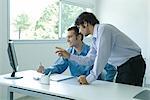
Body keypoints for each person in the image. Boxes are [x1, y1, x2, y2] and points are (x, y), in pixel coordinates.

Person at [55, 12, 146, 86]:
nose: (79, 31)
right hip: (124, 67)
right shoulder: (95, 39)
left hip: (133, 64)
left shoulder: (103, 29)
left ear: (85, 23)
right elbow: (89, 60)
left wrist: (88, 79)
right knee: (122, 94)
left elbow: (102, 57)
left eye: (79, 27)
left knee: (126, 96)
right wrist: (69, 56)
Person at [37, 26, 116, 82]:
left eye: (70, 37)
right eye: (67, 37)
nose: (67, 40)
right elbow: (58, 67)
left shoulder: (93, 51)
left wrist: (107, 84)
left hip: (93, 86)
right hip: (77, 85)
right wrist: (45, 70)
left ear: (79, 37)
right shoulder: (68, 52)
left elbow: (111, 69)